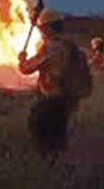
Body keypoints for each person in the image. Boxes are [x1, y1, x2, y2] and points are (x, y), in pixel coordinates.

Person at [18, 9, 90, 159]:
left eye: (42, 28)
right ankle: (59, 165)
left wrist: (22, 60)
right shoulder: (70, 45)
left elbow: (26, 69)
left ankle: (46, 165)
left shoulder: (51, 47)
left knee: (40, 131)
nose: (41, 31)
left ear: (48, 27)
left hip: (51, 98)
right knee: (59, 134)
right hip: (68, 98)